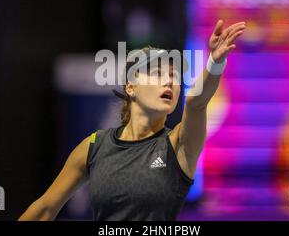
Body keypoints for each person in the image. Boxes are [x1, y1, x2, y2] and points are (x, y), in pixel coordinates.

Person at [18, 19, 246, 220]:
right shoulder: (93, 147)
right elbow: (45, 209)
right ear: (131, 86)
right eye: (157, 73)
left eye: (174, 77)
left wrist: (215, 63)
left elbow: (196, 103)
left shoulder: (178, 145)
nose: (169, 82)